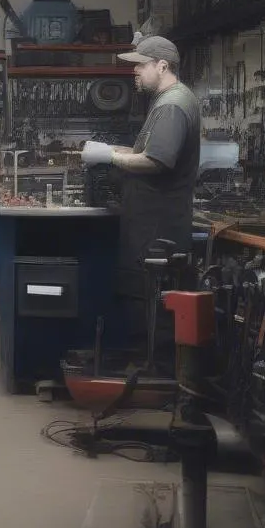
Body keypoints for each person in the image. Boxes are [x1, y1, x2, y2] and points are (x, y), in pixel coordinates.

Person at [81, 35, 200, 349]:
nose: (134, 72)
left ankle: (158, 378)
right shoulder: (167, 101)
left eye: (140, 65)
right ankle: (151, 371)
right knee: (146, 301)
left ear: (162, 66)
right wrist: (110, 148)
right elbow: (146, 149)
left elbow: (156, 161)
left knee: (155, 305)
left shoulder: (173, 105)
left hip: (159, 229)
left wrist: (111, 158)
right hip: (152, 224)